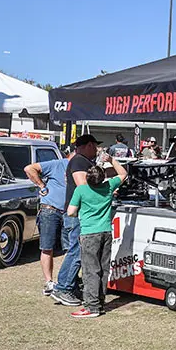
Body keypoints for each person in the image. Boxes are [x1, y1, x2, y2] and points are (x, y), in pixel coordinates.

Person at [66, 152, 127, 318]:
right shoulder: (108, 187)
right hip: (106, 232)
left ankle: (91, 306)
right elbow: (123, 173)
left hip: (89, 233)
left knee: (90, 270)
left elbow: (70, 212)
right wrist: (111, 160)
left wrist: (80, 212)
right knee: (103, 269)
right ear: (103, 177)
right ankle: (99, 303)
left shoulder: (81, 190)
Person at [50, 135, 102, 306]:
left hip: (76, 213)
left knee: (77, 250)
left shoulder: (81, 161)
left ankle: (69, 286)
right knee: (77, 251)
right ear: (89, 145)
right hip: (77, 213)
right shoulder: (79, 161)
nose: (97, 150)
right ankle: (63, 288)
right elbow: (83, 187)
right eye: (95, 146)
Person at [23, 156, 69, 299]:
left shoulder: (82, 165)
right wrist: (42, 186)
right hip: (50, 210)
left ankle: (66, 281)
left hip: (69, 212)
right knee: (47, 247)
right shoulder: (57, 164)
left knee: (70, 248)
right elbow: (29, 168)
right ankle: (49, 282)